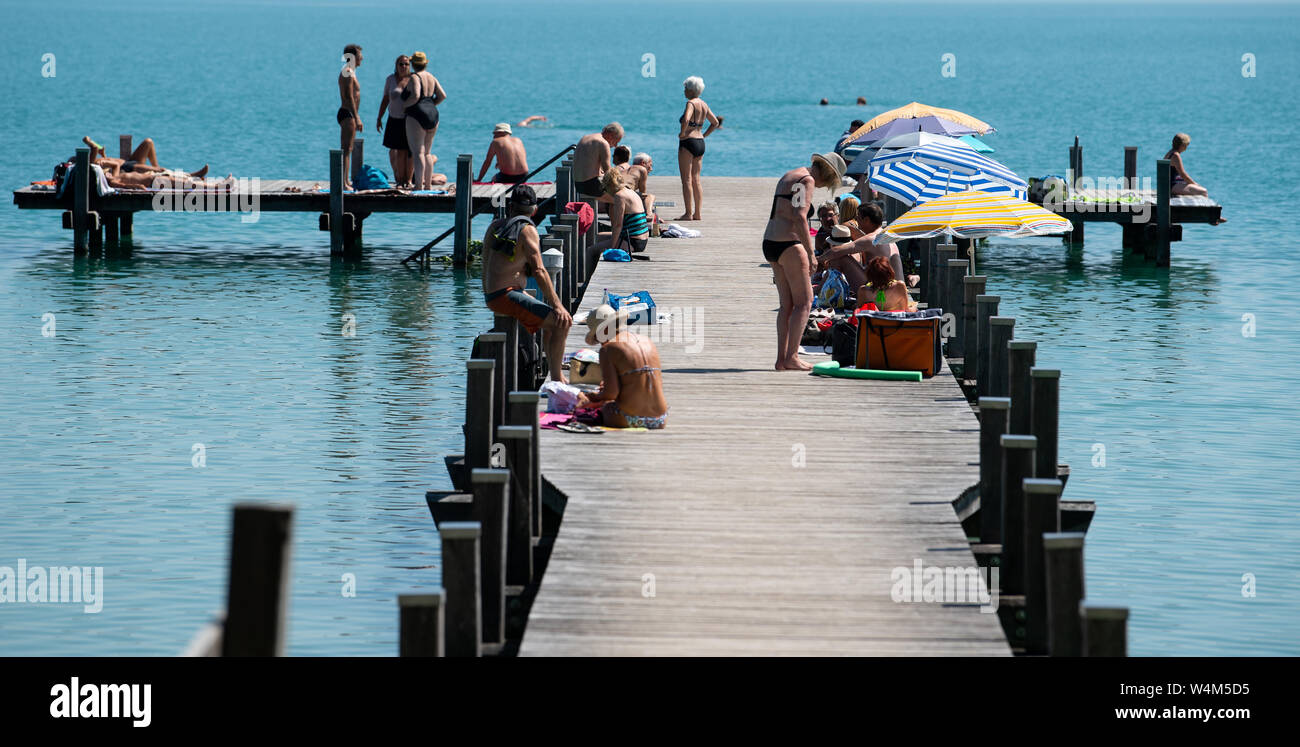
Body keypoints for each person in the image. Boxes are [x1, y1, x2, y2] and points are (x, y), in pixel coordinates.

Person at [762, 151, 846, 371]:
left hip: (770, 242)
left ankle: (782, 359)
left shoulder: (791, 174)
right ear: (828, 174)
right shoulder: (806, 180)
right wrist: (811, 254)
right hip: (789, 244)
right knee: (805, 302)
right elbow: (799, 216)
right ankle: (791, 357)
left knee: (786, 305)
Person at [482, 186, 572, 383]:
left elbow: (484, 263)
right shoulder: (527, 230)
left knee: (549, 322)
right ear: (535, 210)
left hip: (492, 295)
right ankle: (557, 379)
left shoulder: (495, 226)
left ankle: (552, 366)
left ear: (511, 207)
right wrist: (558, 305)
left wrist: (489, 292)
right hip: (505, 295)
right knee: (561, 322)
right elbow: (539, 270)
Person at [574, 304, 668, 429]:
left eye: (597, 336)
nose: (599, 342)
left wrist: (592, 397)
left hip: (629, 419)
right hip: (660, 419)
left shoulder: (608, 349)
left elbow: (611, 393)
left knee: (606, 405)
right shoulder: (646, 340)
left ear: (604, 330)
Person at [676, 76, 722, 221]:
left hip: (688, 142)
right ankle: (698, 214)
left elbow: (686, 119)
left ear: (690, 90)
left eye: (685, 88)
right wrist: (704, 135)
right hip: (700, 142)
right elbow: (714, 123)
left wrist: (683, 133)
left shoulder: (690, 103)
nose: (684, 91)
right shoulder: (704, 104)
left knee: (686, 180)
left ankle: (688, 213)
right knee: (696, 180)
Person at [843, 202, 919, 289]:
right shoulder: (885, 236)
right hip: (898, 292)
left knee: (843, 259)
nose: (856, 222)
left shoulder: (872, 238)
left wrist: (823, 258)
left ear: (867, 220)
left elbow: (836, 251)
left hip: (884, 292)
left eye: (858, 218)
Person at [402, 51, 447, 190]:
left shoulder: (415, 77)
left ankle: (418, 186)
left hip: (417, 114)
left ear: (413, 64)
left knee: (418, 152)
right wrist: (430, 104)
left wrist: (405, 106)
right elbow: (442, 95)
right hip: (433, 113)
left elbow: (415, 95)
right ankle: (427, 185)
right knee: (427, 152)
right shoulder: (431, 77)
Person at [80, 136, 207, 179]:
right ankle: (190, 175)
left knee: (148, 142)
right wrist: (88, 141)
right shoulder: (87, 163)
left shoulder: (94, 163)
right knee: (159, 171)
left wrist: (103, 156)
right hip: (128, 168)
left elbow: (103, 161)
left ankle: (156, 170)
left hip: (129, 162)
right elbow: (94, 149)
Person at [376, 55, 412, 188]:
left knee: (409, 152)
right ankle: (399, 179)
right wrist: (379, 117)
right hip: (393, 119)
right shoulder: (390, 79)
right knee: (395, 150)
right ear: (396, 66)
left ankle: (408, 180)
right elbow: (385, 99)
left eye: (406, 64)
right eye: (401, 64)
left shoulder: (413, 79)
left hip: (409, 120)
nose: (403, 67)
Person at [596, 169, 650, 253]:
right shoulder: (630, 191)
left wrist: (612, 248)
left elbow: (618, 225)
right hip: (642, 240)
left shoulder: (619, 196)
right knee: (598, 236)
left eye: (605, 188)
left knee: (591, 250)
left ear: (609, 185)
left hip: (632, 241)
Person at [573, 123, 622, 201]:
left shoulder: (585, 137)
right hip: (591, 186)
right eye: (616, 141)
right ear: (610, 135)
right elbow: (608, 172)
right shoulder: (603, 143)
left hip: (578, 184)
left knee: (615, 198)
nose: (616, 145)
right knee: (622, 199)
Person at [337, 44, 363, 190]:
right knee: (346, 149)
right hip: (347, 113)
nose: (362, 58)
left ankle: (346, 181)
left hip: (350, 114)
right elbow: (349, 97)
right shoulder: (347, 72)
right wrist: (357, 117)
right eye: (359, 55)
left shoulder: (351, 72)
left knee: (349, 148)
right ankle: (343, 182)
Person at [818, 224, 867, 293]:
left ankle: (817, 290)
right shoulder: (855, 253)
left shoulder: (840, 258)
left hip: (855, 288)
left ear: (833, 245)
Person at [1165, 132, 1208, 197]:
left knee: (1196, 189)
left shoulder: (1170, 152)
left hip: (1169, 184)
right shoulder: (1176, 155)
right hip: (1172, 186)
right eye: (1186, 145)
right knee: (1203, 191)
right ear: (1182, 145)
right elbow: (1182, 174)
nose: (1186, 148)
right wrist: (1194, 184)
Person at [627, 152, 656, 217]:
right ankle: (649, 214)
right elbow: (643, 194)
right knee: (650, 196)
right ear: (643, 163)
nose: (651, 169)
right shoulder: (642, 170)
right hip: (626, 195)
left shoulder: (627, 169)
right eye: (650, 165)